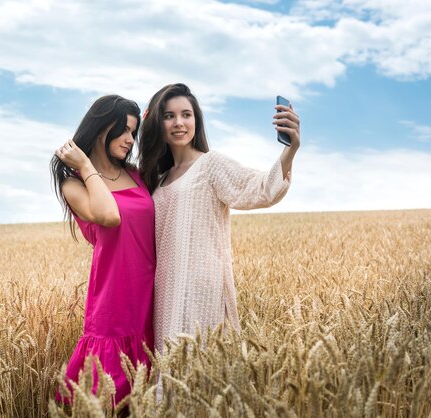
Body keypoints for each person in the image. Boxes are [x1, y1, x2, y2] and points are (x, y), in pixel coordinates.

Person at [138, 83, 300, 356]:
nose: (179, 123)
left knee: (199, 368)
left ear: (196, 120)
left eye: (186, 114)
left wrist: (290, 148)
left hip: (200, 287)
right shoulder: (158, 178)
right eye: (169, 116)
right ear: (157, 122)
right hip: (165, 291)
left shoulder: (210, 164)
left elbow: (261, 188)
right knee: (170, 371)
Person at [50, 95, 155, 405]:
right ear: (100, 128)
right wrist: (85, 164)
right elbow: (110, 215)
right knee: (107, 397)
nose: (129, 139)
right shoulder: (75, 184)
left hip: (150, 296)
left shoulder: (136, 173)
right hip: (115, 302)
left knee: (147, 394)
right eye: (122, 130)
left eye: (133, 132)